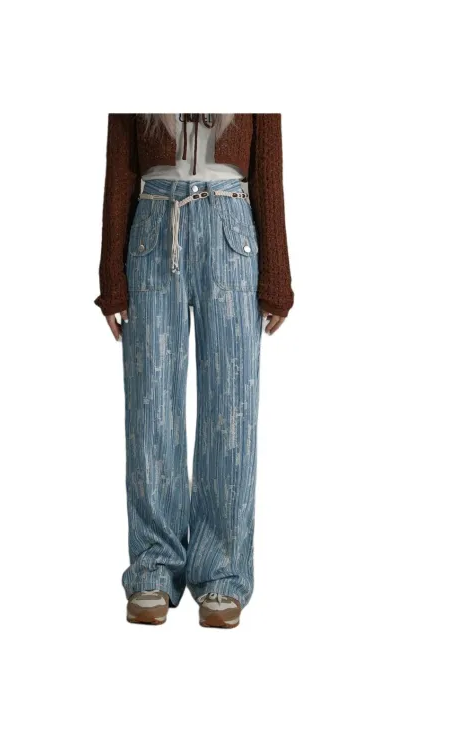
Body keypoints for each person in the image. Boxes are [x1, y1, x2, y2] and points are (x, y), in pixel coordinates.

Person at [95, 114, 294, 628]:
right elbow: (120, 165)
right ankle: (154, 567)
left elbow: (268, 167)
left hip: (231, 225)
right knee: (150, 406)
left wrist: (277, 274)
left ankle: (223, 572)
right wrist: (111, 276)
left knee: (232, 411)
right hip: (153, 222)